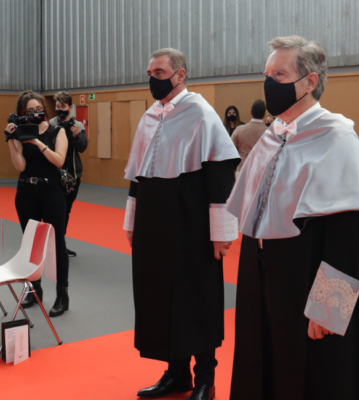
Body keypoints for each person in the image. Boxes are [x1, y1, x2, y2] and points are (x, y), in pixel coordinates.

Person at [226, 35, 359, 400]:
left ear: (310, 81)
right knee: (261, 359)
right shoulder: (274, 136)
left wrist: (329, 309)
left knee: (316, 374)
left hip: (307, 274)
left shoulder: (336, 136)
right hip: (260, 272)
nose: (269, 83)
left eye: (279, 74)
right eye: (267, 74)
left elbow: (353, 232)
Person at [124, 48, 240, 400]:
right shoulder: (149, 117)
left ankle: (205, 377)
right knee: (159, 294)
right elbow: (136, 176)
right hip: (153, 223)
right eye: (150, 71)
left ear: (180, 75)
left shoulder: (201, 114)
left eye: (160, 71)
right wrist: (131, 221)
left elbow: (220, 176)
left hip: (191, 223)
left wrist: (221, 232)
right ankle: (176, 373)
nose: (153, 78)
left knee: (195, 297)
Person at [4, 90, 71, 317]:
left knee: (57, 243)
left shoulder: (57, 131)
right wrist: (12, 142)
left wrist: (37, 142)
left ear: (44, 108)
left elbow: (59, 160)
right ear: (23, 113)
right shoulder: (21, 133)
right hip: (26, 192)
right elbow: (20, 167)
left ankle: (62, 294)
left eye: (38, 109)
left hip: (52, 191)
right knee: (31, 244)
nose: (35, 114)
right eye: (30, 111)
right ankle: (35, 290)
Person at [49, 91, 88, 257]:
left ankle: (60, 244)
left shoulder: (78, 125)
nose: (60, 109)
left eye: (63, 107)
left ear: (70, 107)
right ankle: (52, 244)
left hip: (73, 176)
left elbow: (82, 148)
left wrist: (76, 136)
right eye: (58, 107)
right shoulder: (50, 124)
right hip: (54, 174)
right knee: (54, 210)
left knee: (66, 210)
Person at [231, 99, 267, 175]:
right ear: (264, 114)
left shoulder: (239, 130)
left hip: (241, 170)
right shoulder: (269, 132)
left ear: (251, 112)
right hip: (260, 171)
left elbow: (230, 149)